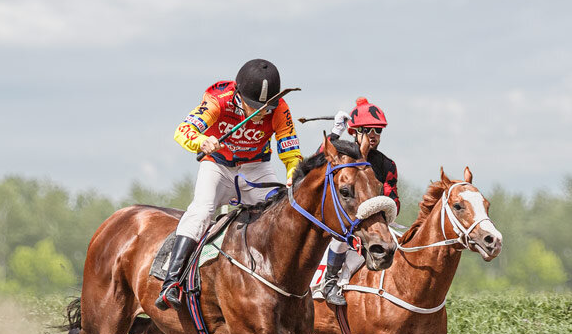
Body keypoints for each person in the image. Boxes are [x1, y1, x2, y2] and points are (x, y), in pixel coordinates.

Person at [156, 59, 304, 309]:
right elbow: (183, 130)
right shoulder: (218, 99)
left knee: (283, 213)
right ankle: (171, 282)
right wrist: (201, 141)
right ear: (239, 95)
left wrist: (292, 172)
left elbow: (291, 151)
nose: (263, 112)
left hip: (257, 168)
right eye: (256, 106)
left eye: (268, 106)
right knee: (201, 212)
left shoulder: (280, 108)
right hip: (218, 166)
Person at [319, 97, 398, 305]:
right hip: (345, 219)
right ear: (356, 131)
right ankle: (330, 281)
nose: (374, 135)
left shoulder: (387, 165)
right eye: (368, 130)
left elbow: (393, 198)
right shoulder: (342, 154)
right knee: (341, 234)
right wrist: (336, 132)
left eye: (378, 131)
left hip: (376, 221)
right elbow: (318, 161)